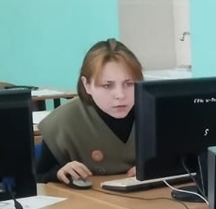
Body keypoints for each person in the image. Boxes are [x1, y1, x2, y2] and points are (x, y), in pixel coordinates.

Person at [35, 38, 141, 185]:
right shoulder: (63, 121)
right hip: (86, 198)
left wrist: (161, 169)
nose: (120, 95)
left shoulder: (156, 114)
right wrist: (58, 173)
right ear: (87, 85)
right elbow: (37, 179)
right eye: (107, 86)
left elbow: (175, 162)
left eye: (129, 84)